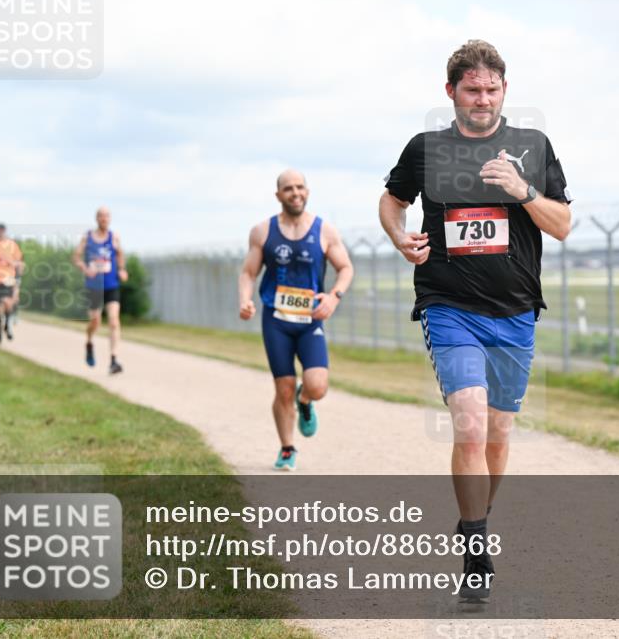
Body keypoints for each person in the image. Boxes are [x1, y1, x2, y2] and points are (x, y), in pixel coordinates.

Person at [378, 40, 571, 599]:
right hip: (449, 306)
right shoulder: (427, 149)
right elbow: (391, 201)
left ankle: (473, 518)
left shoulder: (532, 147)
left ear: (505, 90)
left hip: (514, 313)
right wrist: (399, 237)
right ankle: (478, 548)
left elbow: (561, 225)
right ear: (451, 93)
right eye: (472, 90)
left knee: (498, 434)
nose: (482, 99)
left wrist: (523, 190)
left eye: (492, 89)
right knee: (469, 423)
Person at [239, 169, 354, 472]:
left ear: (308, 191)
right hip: (275, 320)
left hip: (310, 320)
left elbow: (346, 268)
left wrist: (333, 296)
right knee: (284, 387)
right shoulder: (262, 231)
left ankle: (306, 402)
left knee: (317, 386)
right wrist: (245, 300)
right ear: (278, 195)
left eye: (300, 187)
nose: (295, 193)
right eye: (288, 188)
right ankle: (287, 448)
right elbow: (248, 272)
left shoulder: (325, 230)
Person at [73, 207, 128, 374]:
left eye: (107, 216)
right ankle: (89, 342)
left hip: (111, 285)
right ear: (97, 218)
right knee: (95, 321)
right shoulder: (87, 237)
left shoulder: (114, 237)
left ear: (110, 219)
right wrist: (84, 268)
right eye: (101, 216)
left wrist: (122, 269)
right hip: (94, 286)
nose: (104, 219)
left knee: (113, 320)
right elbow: (76, 257)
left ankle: (113, 360)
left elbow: (119, 254)